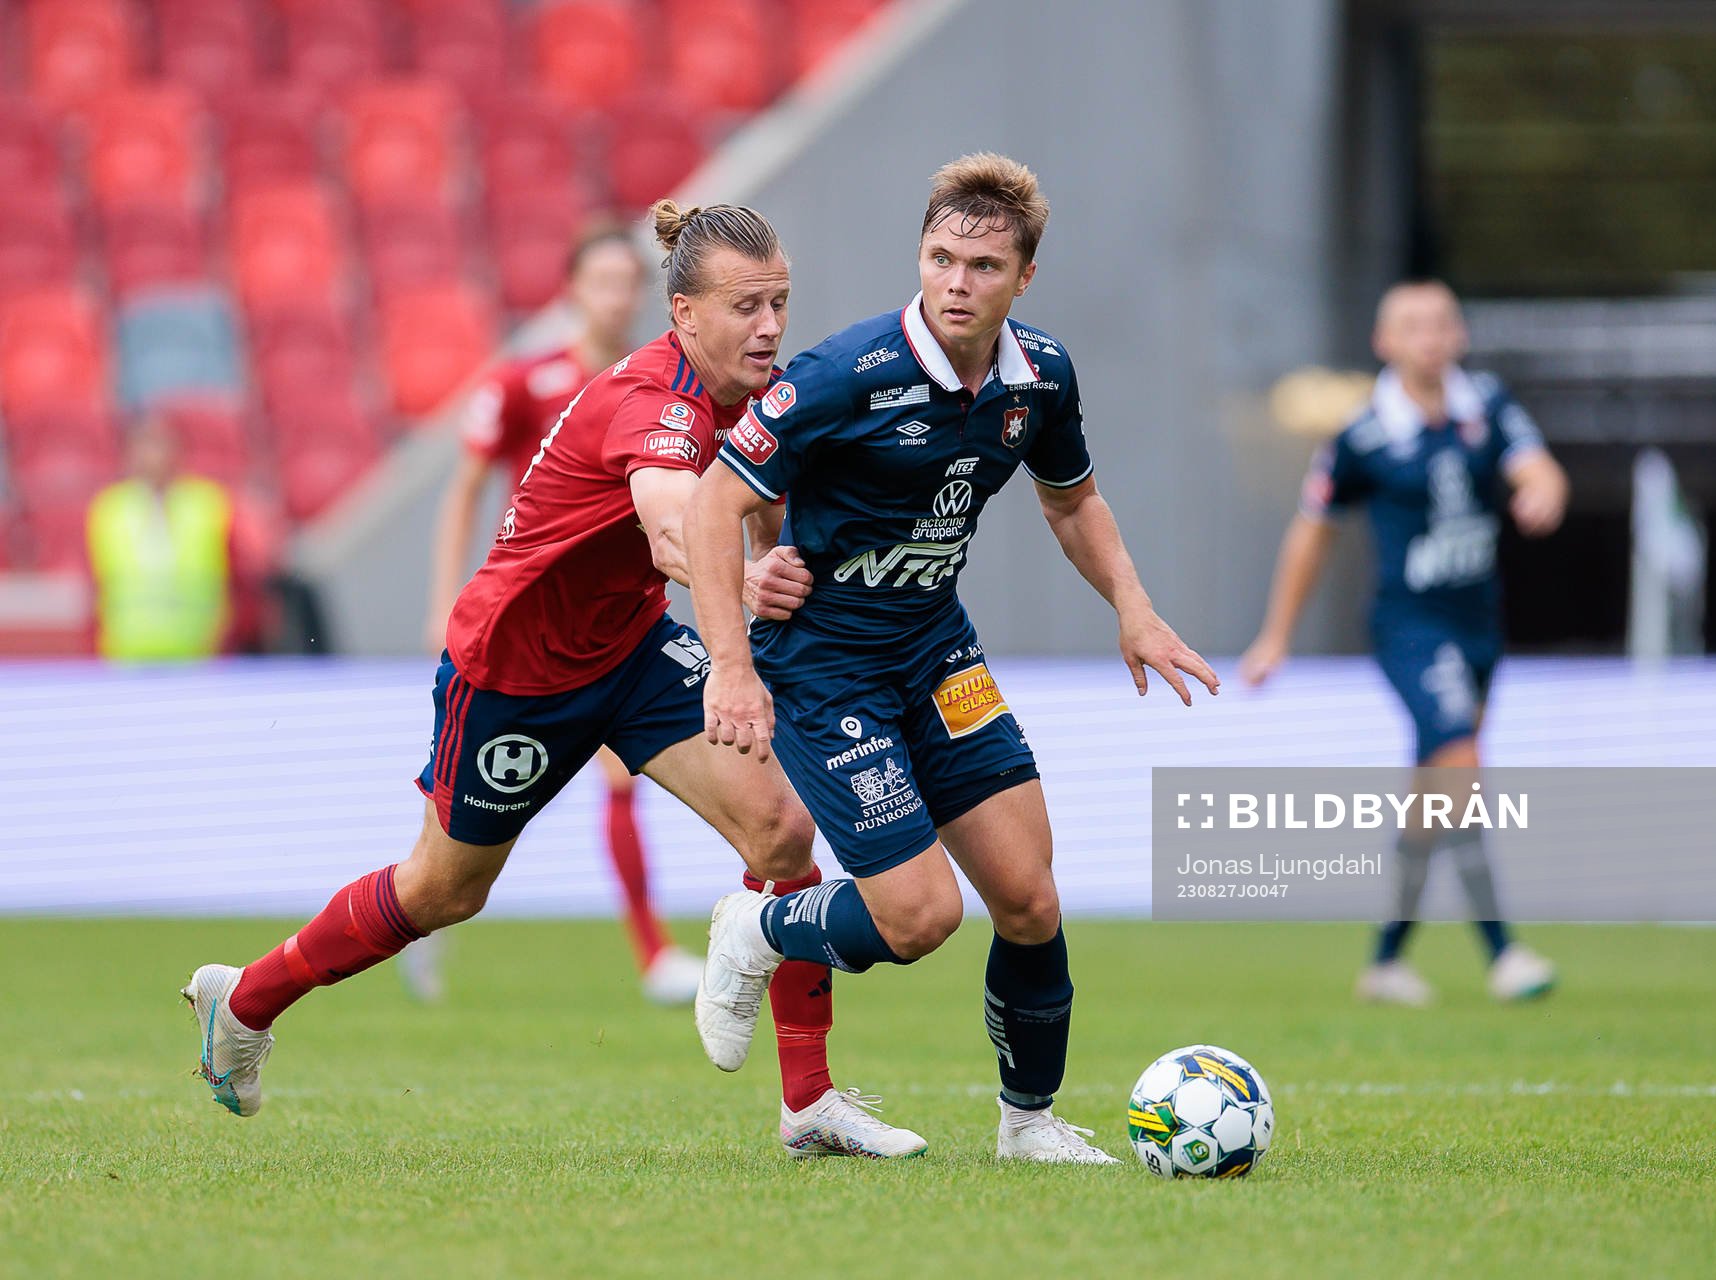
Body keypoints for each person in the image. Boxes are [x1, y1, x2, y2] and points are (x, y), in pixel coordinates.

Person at [183, 202, 927, 1160]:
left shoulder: (749, 391)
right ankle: (243, 1004)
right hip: (516, 672)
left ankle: (809, 1104)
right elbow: (670, 528)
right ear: (685, 314)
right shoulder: (651, 403)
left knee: (782, 830)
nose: (772, 326)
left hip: (630, 647)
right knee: (442, 891)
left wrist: (772, 558)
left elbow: (755, 496)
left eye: (781, 302)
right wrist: (744, 581)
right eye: (748, 307)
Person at [684, 154, 1218, 1164]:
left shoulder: (1042, 375)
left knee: (1029, 895)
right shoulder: (845, 372)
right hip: (826, 667)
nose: (956, 282)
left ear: (1023, 278)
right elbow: (721, 494)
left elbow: (1073, 501)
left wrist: (1135, 609)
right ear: (918, 258)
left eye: (981, 264)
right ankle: (757, 930)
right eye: (940, 258)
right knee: (922, 914)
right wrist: (732, 659)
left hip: (937, 651)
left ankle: (1028, 1123)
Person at [1238, 280, 1568, 1006]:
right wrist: (1276, 637)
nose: (1431, 335)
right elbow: (1311, 534)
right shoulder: (1363, 436)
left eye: (1443, 322)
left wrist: (1545, 487)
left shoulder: (1488, 404)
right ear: (1384, 343)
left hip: (1481, 625)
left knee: (1437, 796)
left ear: (1460, 335)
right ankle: (1503, 952)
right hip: (1411, 630)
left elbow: (1536, 465)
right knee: (1461, 767)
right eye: (1413, 325)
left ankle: (1385, 961)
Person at [416, 223, 701, 1006]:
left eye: (624, 281)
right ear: (572, 291)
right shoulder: (523, 380)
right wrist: (443, 596)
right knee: (458, 830)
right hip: (525, 621)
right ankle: (419, 917)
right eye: (599, 280)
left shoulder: (665, 384)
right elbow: (466, 486)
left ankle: (652, 955)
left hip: (616, 618)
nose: (613, 295)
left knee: (618, 772)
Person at [86, 415, 236, 662]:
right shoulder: (109, 508)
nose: (153, 456)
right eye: (145, 446)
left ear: (179, 452)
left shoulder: (207, 503)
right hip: (128, 652)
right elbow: (96, 583)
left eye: (160, 445)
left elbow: (232, 575)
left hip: (195, 652)